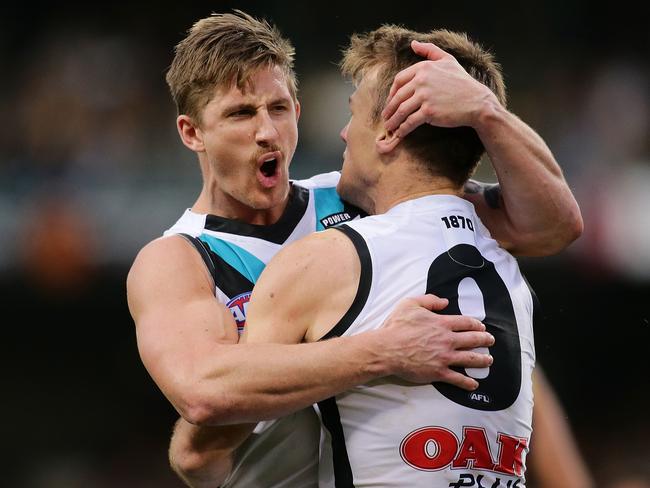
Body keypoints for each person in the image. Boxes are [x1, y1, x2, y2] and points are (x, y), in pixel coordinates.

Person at [125, 11, 583, 487]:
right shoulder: (179, 259)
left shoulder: (361, 196)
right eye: (241, 114)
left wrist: (486, 110)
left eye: (279, 109)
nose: (266, 132)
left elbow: (550, 224)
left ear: (298, 112)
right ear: (192, 132)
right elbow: (201, 393)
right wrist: (384, 352)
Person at [240, 25, 537, 487]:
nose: (343, 132)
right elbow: (564, 222)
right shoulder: (509, 265)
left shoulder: (326, 260)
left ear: (388, 130)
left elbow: (216, 431)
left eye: (353, 112)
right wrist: (487, 112)